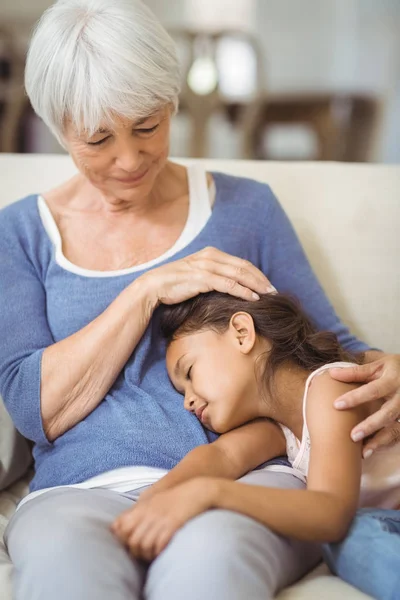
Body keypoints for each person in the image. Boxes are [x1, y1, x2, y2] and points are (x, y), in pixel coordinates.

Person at [0, 0, 399, 598]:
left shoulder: (247, 208)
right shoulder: (20, 234)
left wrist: (386, 368)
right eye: (99, 139)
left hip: (249, 476)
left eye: (147, 126)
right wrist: (145, 292)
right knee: (67, 574)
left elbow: (328, 346)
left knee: (207, 565)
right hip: (77, 493)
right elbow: (33, 408)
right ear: (58, 127)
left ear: (173, 103)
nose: (129, 160)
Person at [113, 292, 400, 600]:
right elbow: (220, 456)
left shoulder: (332, 388)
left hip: (372, 520)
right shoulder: (279, 426)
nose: (188, 401)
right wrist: (146, 506)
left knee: (351, 539)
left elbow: (332, 514)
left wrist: (208, 493)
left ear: (242, 334)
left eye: (190, 373)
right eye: (182, 391)